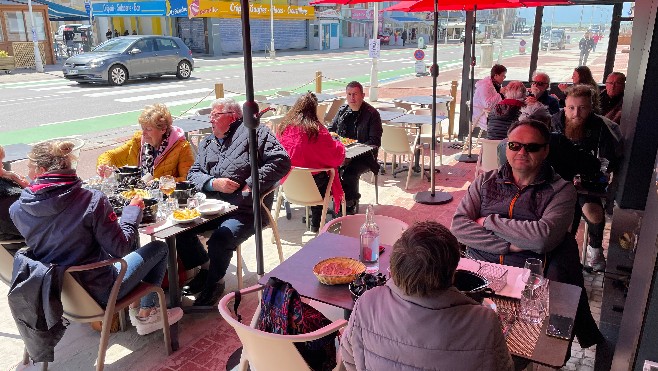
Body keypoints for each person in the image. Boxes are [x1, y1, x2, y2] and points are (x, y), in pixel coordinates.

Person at [451, 120, 605, 350]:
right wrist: (509, 246)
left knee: (521, 351)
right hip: (477, 275)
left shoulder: (561, 190)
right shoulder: (485, 181)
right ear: (506, 148)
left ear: (545, 151)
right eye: (515, 145)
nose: (521, 152)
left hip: (529, 282)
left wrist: (489, 221)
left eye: (531, 147)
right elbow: (460, 226)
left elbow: (541, 239)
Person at [9, 140, 183, 335]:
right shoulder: (91, 199)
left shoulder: (17, 210)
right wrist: (132, 212)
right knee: (159, 248)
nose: (27, 174)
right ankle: (146, 313)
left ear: (41, 171)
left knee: (120, 241)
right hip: (101, 291)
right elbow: (121, 248)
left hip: (59, 292)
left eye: (29, 169)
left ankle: (138, 307)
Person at [341, 221, 513, 371]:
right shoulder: (484, 322)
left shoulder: (367, 304)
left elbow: (350, 358)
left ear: (394, 269)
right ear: (453, 273)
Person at [174, 98, 290, 307]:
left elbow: (281, 160)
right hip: (211, 208)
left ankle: (215, 282)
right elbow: (193, 174)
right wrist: (212, 183)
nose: (210, 118)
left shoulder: (255, 133)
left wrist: (250, 183)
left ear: (233, 116)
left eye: (216, 115)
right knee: (178, 231)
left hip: (245, 209)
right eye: (210, 115)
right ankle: (207, 267)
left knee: (220, 239)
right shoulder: (208, 142)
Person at [552, 85, 623, 272]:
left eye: (582, 108)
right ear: (564, 107)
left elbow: (607, 162)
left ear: (591, 108)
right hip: (556, 183)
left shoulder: (602, 128)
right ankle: (560, 257)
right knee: (563, 221)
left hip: (588, 182)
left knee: (594, 213)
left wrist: (586, 177)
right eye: (572, 108)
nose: (576, 113)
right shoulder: (553, 123)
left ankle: (595, 250)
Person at [275, 93, 345, 233]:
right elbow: (336, 157)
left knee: (317, 173)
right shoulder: (317, 131)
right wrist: (340, 144)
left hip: (289, 185)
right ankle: (329, 222)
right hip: (314, 187)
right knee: (326, 175)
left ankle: (315, 223)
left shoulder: (283, 128)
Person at [97, 103, 194, 182]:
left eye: (148, 129)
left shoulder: (181, 147)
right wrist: (104, 165)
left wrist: (161, 183)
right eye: (143, 128)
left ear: (163, 129)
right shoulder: (138, 141)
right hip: (137, 194)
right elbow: (110, 155)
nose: (144, 133)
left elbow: (188, 179)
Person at [328, 81, 382, 214]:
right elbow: (331, 130)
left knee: (349, 173)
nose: (352, 98)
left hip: (365, 157)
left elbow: (375, 142)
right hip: (342, 153)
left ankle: (350, 205)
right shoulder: (342, 111)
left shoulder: (372, 114)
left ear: (363, 95)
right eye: (349, 94)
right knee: (326, 169)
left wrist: (354, 150)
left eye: (355, 94)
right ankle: (332, 201)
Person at [0, 145, 29, 239]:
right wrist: (26, 186)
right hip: (17, 243)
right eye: (0, 160)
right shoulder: (9, 197)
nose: (2, 165)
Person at [473, 64, 507, 131]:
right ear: (496, 75)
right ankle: (499, 139)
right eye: (503, 76)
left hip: (490, 112)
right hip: (482, 114)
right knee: (508, 122)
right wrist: (501, 93)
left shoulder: (496, 85)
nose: (504, 78)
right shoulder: (485, 86)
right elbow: (488, 104)